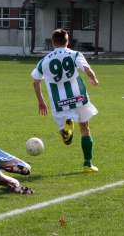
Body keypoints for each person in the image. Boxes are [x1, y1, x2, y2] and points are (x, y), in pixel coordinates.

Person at [31, 29, 100, 173]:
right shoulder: (75, 54)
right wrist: (93, 79)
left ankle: (68, 130)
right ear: (68, 41)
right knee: (85, 128)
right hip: (78, 97)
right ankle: (88, 163)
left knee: (67, 142)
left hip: (59, 102)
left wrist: (41, 102)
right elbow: (87, 69)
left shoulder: (44, 61)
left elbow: (36, 82)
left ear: (53, 43)